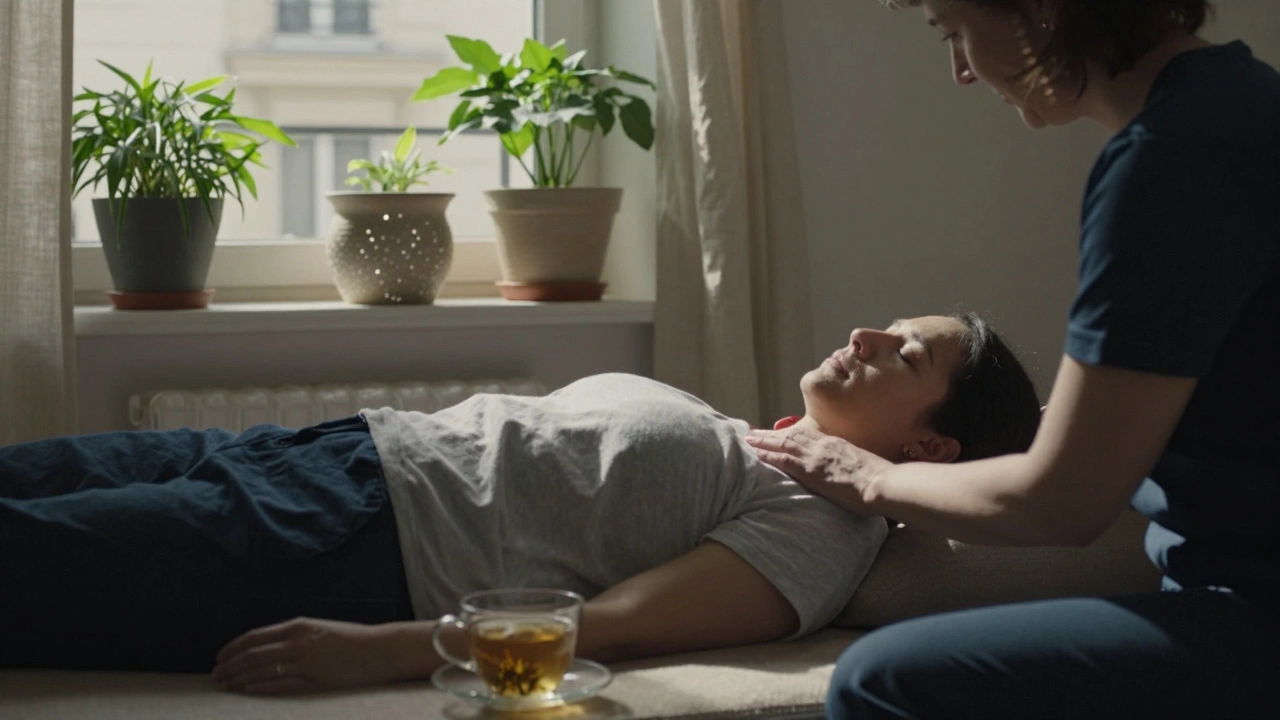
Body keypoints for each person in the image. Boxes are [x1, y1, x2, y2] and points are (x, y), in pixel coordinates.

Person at [0, 313, 1038, 694]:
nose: (862, 336)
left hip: (340, 543)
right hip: (313, 457)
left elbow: (617, 626)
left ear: (930, 446)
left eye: (904, 352)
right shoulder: (757, 446)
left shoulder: (823, 531)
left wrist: (395, 651)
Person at [745, 2, 1280, 718]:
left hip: (1251, 617)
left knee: (880, 680)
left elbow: (1064, 503)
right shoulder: (1246, 103)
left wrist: (868, 476)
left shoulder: (1169, 160)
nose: (962, 70)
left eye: (955, 31)